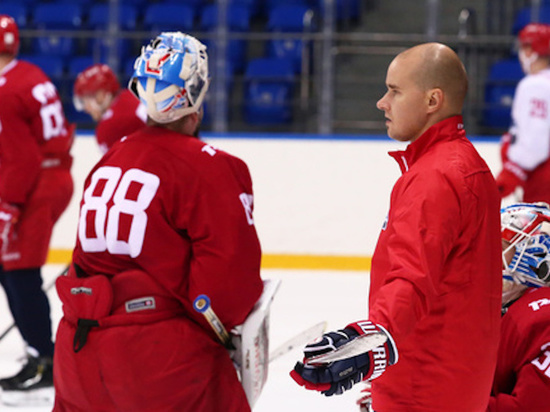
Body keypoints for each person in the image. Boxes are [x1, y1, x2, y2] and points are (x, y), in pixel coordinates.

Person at [53, 32, 263, 411]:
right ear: (199, 91)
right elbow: (226, 289)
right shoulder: (213, 166)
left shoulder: (110, 158)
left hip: (76, 356)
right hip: (156, 364)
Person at [291, 42, 502, 411]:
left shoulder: (434, 176)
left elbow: (411, 278)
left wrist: (373, 341)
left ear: (432, 100)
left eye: (395, 90)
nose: (382, 102)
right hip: (454, 382)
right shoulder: (469, 165)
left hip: (423, 388)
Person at [0, 14, 74, 405]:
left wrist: (8, 205)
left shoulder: (6, 89)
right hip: (48, 176)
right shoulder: (27, 73)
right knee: (9, 265)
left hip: (36, 185)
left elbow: (22, 157)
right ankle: (37, 350)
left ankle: (45, 358)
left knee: (20, 268)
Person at [488, 202, 550, 411]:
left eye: (503, 248)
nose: (485, 260)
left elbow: (529, 407)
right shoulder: (510, 309)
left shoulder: (542, 320)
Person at [496, 23, 550, 203]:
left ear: (531, 51)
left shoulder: (535, 85)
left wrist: (512, 171)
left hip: (542, 180)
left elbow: (535, 142)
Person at [73, 63, 147, 154]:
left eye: (87, 100)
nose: (86, 109)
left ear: (101, 95)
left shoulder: (108, 127)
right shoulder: (130, 95)